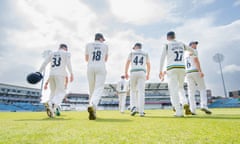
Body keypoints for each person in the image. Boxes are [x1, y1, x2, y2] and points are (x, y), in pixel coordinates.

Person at [159, 31, 194, 117]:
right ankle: (185, 102)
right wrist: (193, 54)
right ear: (175, 36)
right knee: (180, 88)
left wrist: (160, 70)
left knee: (173, 90)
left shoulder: (167, 45)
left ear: (168, 38)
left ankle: (178, 111)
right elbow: (192, 50)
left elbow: (162, 58)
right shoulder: (181, 43)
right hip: (182, 68)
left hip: (172, 68)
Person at [39, 44, 74, 118]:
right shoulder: (66, 53)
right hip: (60, 74)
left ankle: (52, 111)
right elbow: (68, 64)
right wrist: (71, 73)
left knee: (53, 92)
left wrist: (39, 72)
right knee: (62, 92)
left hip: (51, 74)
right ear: (65, 48)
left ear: (59, 47)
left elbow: (45, 63)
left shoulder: (52, 53)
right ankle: (51, 103)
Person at [85, 33, 108, 120]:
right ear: (101, 38)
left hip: (90, 67)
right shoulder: (105, 46)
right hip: (100, 66)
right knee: (98, 88)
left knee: (91, 89)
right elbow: (105, 59)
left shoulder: (88, 45)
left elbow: (86, 59)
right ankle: (92, 104)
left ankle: (93, 110)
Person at [185, 41, 212, 115]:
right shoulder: (194, 51)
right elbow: (196, 61)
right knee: (202, 88)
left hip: (188, 73)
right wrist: (200, 71)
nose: (196, 45)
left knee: (191, 92)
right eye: (194, 44)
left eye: (196, 44)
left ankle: (192, 109)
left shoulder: (185, 54)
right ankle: (204, 105)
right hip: (195, 71)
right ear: (190, 45)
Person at [125, 43, 150, 117]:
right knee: (141, 92)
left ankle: (133, 107)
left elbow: (127, 63)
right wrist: (148, 74)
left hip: (133, 72)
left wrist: (125, 72)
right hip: (142, 72)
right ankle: (141, 111)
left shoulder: (132, 53)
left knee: (133, 91)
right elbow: (148, 64)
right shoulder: (145, 53)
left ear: (136, 47)